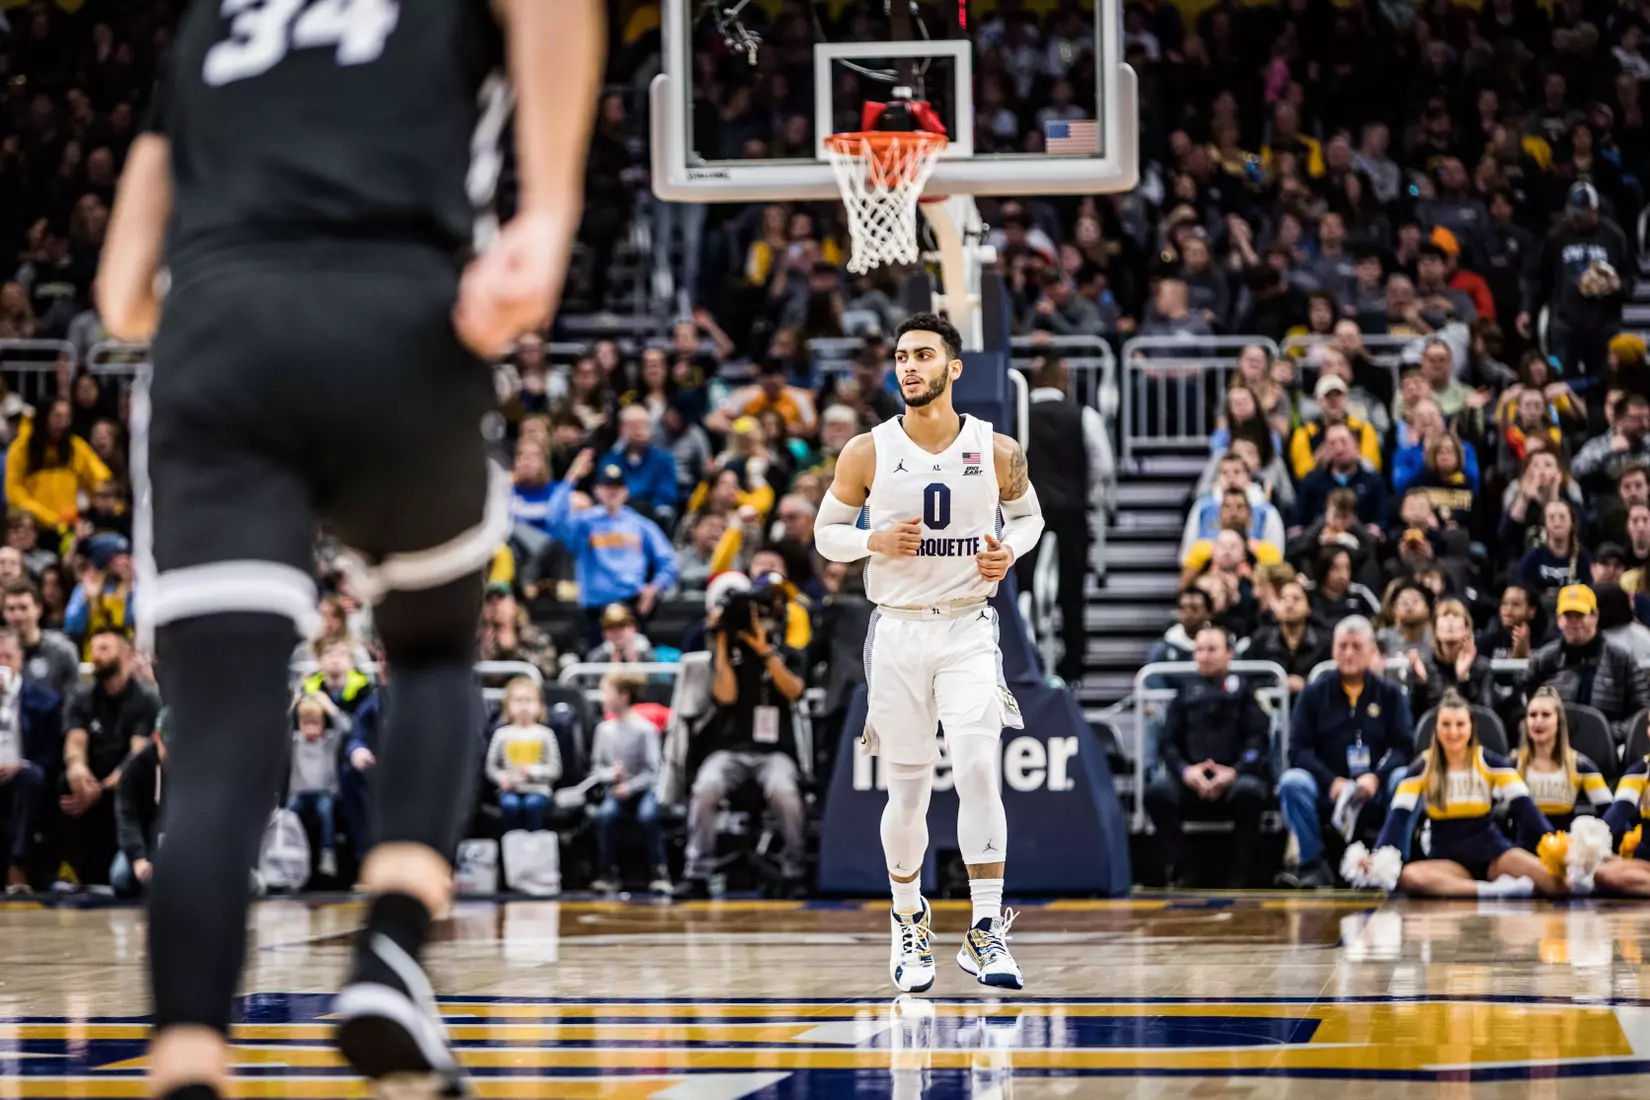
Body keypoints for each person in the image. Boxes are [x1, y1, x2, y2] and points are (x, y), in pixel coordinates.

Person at [94, 0, 606, 1094]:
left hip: (219, 342)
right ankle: (387, 950)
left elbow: (121, 294)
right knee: (427, 650)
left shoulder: (206, 26)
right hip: (399, 322)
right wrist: (550, 211)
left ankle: (187, 1056)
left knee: (223, 722)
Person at [813, 312, 1045, 992]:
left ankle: (984, 929)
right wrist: (870, 542)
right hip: (899, 629)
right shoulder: (867, 450)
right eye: (900, 356)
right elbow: (827, 533)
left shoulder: (996, 449)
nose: (908, 366)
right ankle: (909, 921)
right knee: (908, 790)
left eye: (922, 355)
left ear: (954, 367)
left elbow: (1030, 517)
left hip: (969, 626)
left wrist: (1013, 549)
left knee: (978, 769)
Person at [1364, 691, 1561, 897]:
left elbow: (1527, 809)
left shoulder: (1489, 761)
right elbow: (1397, 818)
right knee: (1410, 876)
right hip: (1448, 863)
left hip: (1494, 856)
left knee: (1557, 882)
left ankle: (1484, 889)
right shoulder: (1423, 766)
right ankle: (1491, 891)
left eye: (1460, 724)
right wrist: (1377, 857)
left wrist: (1558, 847)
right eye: (1446, 725)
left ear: (1471, 727)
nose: (1453, 732)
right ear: (1436, 728)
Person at [1278, 616, 1412, 888]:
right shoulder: (1313, 694)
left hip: (1375, 786)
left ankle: (1395, 862)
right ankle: (1312, 865)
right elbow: (1298, 750)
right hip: (1330, 787)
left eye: (1356, 646)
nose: (1349, 653)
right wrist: (1331, 781)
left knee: (1404, 778)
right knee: (1292, 781)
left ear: (1372, 651)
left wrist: (1377, 777)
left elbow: (1404, 747)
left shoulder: (1390, 695)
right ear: (1333, 650)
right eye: (1343, 646)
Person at [1144, 626, 1272, 886]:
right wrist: (1185, 771)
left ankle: (1242, 872)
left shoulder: (1246, 692)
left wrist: (1234, 771)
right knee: (1157, 793)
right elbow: (1168, 743)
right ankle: (1182, 867)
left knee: (1251, 792)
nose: (1204, 656)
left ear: (1229, 654)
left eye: (1211, 649)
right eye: (1199, 650)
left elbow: (1258, 740)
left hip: (1234, 778)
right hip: (1191, 779)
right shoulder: (1184, 693)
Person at [58, 628, 161, 891]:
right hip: (93, 775)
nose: (97, 656)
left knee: (130, 789)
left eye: (104, 649)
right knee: (63, 784)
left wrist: (100, 788)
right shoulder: (83, 696)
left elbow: (137, 758)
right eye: (94, 650)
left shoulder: (145, 698)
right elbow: (75, 742)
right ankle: (71, 870)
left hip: (126, 778)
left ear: (126, 653)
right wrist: (76, 767)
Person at [545, 452, 680, 645]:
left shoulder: (640, 524)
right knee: (595, 662)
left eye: (617, 487)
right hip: (595, 610)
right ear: (596, 490)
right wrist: (572, 477)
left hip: (632, 604)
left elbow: (669, 560)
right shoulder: (585, 522)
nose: (612, 492)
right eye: (607, 487)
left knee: (636, 661)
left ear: (626, 491)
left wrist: (654, 588)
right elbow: (555, 520)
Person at [1520, 585, 1650, 744]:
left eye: (1580, 615)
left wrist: (1612, 733)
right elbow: (1524, 701)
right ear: (1559, 619)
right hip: (1551, 743)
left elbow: (1642, 709)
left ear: (1595, 616)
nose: (1574, 622)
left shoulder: (1621, 658)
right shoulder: (1544, 658)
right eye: (1568, 615)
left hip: (1611, 746)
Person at [588, 672, 669, 895]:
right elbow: (597, 768)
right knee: (605, 816)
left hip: (643, 790)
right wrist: (610, 775)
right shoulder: (603, 730)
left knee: (648, 816)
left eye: (607, 693)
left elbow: (654, 772)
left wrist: (630, 787)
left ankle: (659, 870)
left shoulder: (646, 730)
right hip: (615, 790)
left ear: (623, 696)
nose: (603, 698)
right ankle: (607, 872)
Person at [0, 627, 61, 894]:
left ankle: (18, 865)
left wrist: (20, 764)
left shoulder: (44, 700)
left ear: (19, 660)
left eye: (7, 657)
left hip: (23, 772)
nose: (1, 665)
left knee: (31, 777)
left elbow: (50, 754)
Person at [1514, 687, 1611, 844]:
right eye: (1532, 715)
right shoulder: (1512, 765)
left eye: (1545, 715)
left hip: (1565, 852)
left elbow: (1609, 811)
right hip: (1524, 855)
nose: (1538, 721)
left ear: (1558, 722)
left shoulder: (1580, 765)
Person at [483, 676, 561, 834]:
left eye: (529, 700)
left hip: (538, 790)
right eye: (518, 700)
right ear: (508, 705)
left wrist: (533, 772)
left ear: (539, 705)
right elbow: (491, 766)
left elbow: (555, 769)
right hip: (510, 790)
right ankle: (511, 846)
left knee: (533, 805)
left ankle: (534, 846)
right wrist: (501, 779)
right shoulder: (501, 734)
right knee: (510, 805)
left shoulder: (545, 734)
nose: (523, 706)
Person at [112, 707, 169, 898]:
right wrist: (138, 859)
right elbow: (127, 818)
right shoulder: (134, 768)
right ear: (156, 738)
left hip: (189, 843)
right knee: (121, 877)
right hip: (147, 843)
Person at [1406, 599, 1494, 721]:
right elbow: (1414, 719)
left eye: (1456, 615)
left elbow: (1485, 717)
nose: (1450, 621)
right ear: (1435, 629)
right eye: (1445, 616)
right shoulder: (1423, 666)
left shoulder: (1481, 667)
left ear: (1466, 629)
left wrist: (1463, 678)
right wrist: (1420, 683)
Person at [287, 694, 345, 880]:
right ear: (299, 724)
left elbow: (345, 726)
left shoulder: (328, 741)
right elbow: (276, 729)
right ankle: (289, 854)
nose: (311, 729)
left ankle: (328, 853)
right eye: (306, 723)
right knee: (288, 813)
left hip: (323, 793)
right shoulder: (295, 742)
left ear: (322, 723)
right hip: (300, 794)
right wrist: (293, 706)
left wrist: (328, 706)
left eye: (316, 723)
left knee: (326, 811)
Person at [3, 580, 80, 703]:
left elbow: (73, 701)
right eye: (11, 609)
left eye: (23, 608)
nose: (17, 615)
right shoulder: (2, 653)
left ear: (38, 610)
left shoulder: (62, 651)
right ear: (3, 613)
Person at [1247, 579, 1329, 694]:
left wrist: (1306, 684)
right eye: (1283, 599)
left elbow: (1330, 682)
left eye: (1296, 599)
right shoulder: (1260, 640)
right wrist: (1276, 683)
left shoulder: (1324, 642)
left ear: (1309, 607)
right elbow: (1249, 680)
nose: (1289, 604)